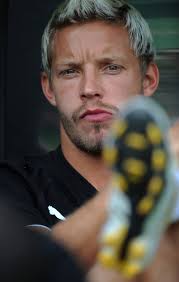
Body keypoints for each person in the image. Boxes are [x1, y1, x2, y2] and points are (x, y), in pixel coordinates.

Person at [0, 0, 178, 281]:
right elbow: (29, 272)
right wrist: (137, 188)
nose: (89, 89)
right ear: (49, 88)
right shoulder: (13, 184)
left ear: (148, 79)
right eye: (70, 71)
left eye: (111, 67)